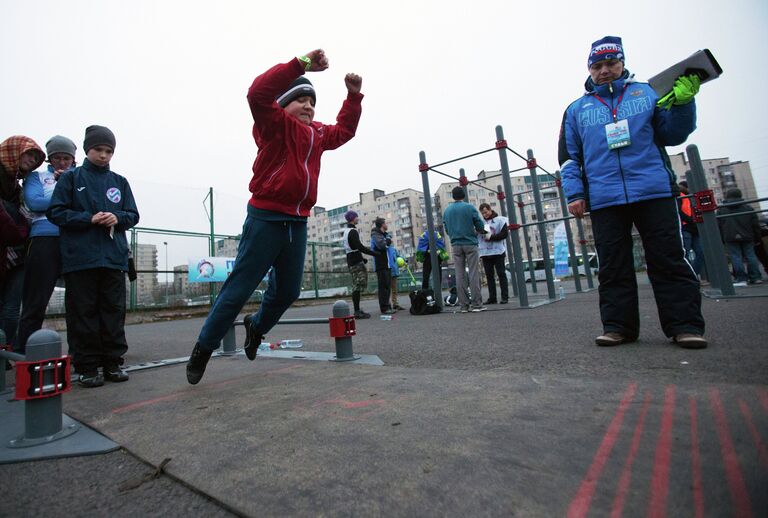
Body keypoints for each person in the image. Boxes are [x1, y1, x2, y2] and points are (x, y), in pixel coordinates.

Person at [186, 49, 364, 384]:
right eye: (300, 100)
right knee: (239, 289)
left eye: (312, 101)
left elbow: (344, 131)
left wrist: (353, 98)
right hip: (266, 218)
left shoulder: (318, 134)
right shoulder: (273, 125)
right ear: (282, 106)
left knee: (288, 292)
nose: (308, 106)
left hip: (297, 222)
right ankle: (203, 348)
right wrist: (301, 64)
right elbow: (257, 93)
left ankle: (256, 326)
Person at [559, 36, 707, 349]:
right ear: (589, 69)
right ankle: (618, 327)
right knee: (613, 264)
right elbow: (570, 158)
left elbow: (673, 134)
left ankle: (684, 326)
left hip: (652, 190)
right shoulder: (576, 109)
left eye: (611, 63)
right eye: (597, 66)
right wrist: (575, 194)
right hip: (604, 197)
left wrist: (683, 102)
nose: (604, 71)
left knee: (668, 259)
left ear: (622, 63)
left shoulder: (648, 94)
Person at [48, 125, 140, 387]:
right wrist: (88, 218)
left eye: (109, 151)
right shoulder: (71, 179)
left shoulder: (120, 182)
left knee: (113, 311)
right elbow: (56, 212)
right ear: (87, 149)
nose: (103, 155)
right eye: (99, 149)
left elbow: (132, 215)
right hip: (80, 259)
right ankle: (87, 367)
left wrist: (118, 217)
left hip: (113, 258)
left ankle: (112, 363)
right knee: (82, 312)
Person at [17, 136, 77, 353]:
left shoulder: (79, 177)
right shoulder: (37, 177)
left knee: (78, 301)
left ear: (73, 159)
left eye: (67, 158)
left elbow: (85, 203)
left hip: (74, 239)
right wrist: (65, 195)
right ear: (50, 159)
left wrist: (68, 184)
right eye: (57, 158)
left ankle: (78, 353)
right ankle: (25, 350)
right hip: (44, 238)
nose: (62, 162)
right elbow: (34, 202)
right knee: (36, 298)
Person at [0, 136, 45, 351]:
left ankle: (5, 352)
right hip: (11, 246)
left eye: (35, 157)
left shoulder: (17, 187)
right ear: (14, 151)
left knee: (11, 307)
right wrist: (21, 230)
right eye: (29, 154)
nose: (31, 160)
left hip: (16, 255)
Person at [442, 186, 487, 313]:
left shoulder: (447, 211)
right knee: (473, 273)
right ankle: (477, 304)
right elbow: (480, 225)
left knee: (460, 275)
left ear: (453, 196)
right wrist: (480, 230)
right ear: (463, 195)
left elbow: (446, 228)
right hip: (470, 243)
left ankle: (464, 306)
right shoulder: (469, 207)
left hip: (456, 245)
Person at [718, 188, 763, 286]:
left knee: (735, 257)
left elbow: (719, 225)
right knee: (751, 256)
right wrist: (757, 238)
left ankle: (741, 279)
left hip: (730, 236)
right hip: (747, 235)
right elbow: (755, 225)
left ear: (727, 196)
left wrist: (722, 238)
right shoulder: (748, 208)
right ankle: (756, 277)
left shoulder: (722, 209)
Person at [342, 210, 377, 319]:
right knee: (358, 285)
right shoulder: (353, 231)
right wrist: (374, 253)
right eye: (356, 217)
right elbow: (359, 246)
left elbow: (352, 248)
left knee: (357, 285)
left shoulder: (346, 231)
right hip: (355, 262)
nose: (358, 218)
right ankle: (357, 311)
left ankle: (357, 309)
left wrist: (362, 258)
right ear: (353, 218)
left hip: (352, 260)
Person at [478, 202, 509, 304]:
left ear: (490, 210)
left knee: (501, 274)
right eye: (482, 213)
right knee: (489, 276)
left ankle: (505, 297)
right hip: (485, 253)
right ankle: (492, 298)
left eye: (486, 212)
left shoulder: (500, 220)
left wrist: (492, 237)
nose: (485, 215)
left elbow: (504, 234)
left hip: (498, 251)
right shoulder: (481, 223)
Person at [677, 181, 705, 278]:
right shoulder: (680, 196)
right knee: (686, 252)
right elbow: (679, 212)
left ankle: (693, 274)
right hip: (686, 228)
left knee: (701, 252)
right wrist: (692, 220)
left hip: (694, 228)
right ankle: (691, 276)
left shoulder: (692, 197)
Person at [370, 217, 396, 315]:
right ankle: (384, 308)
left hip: (387, 265)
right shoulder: (376, 234)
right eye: (385, 223)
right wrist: (388, 240)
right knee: (383, 287)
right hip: (381, 264)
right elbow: (382, 245)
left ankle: (388, 305)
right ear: (382, 225)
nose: (387, 224)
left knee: (387, 286)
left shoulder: (383, 235)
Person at [387, 243, 405, 310]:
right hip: (387, 271)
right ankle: (387, 304)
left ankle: (395, 304)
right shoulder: (384, 249)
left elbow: (398, 257)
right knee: (387, 289)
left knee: (394, 289)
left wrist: (404, 260)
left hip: (394, 271)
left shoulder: (393, 249)